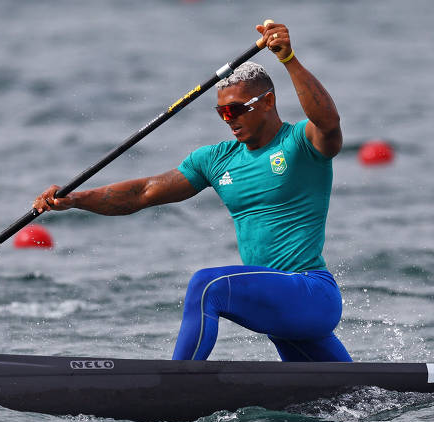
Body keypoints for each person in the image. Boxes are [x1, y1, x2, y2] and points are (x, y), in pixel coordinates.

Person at [33, 22, 352, 362]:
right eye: (221, 112)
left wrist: (288, 59)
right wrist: (75, 199)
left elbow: (329, 122)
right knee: (348, 398)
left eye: (235, 109)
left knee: (207, 286)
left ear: (267, 101)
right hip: (278, 311)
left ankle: (176, 382)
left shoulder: (301, 143)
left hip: (310, 294)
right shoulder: (216, 160)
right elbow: (143, 193)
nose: (228, 119)